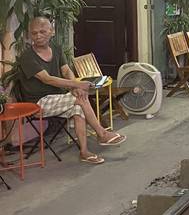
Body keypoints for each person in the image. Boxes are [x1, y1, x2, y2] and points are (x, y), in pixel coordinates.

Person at [17, 16, 126, 165]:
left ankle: (84, 152)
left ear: (52, 32)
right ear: (30, 35)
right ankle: (102, 133)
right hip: (38, 103)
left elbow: (67, 70)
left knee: (78, 107)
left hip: (57, 98)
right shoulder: (27, 57)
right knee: (80, 100)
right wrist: (78, 86)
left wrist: (75, 85)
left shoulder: (56, 48)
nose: (38, 36)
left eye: (42, 31)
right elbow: (47, 79)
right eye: (34, 33)